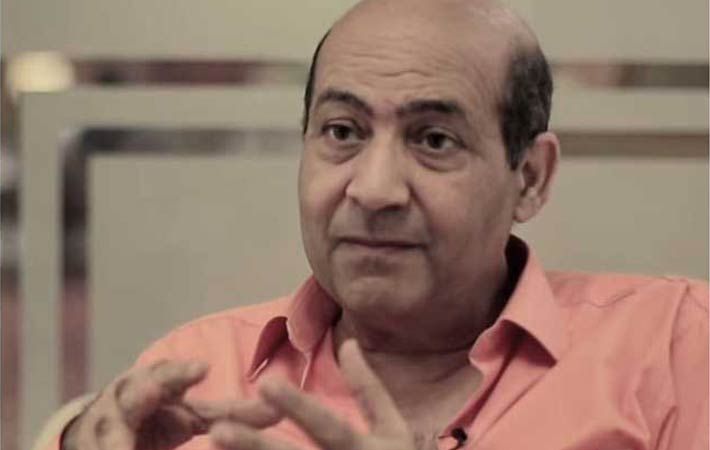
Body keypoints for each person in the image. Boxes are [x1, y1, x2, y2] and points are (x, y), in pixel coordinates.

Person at [56, 0, 708, 449]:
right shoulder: (200, 377)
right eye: (343, 132)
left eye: (434, 140)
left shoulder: (673, 347)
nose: (373, 189)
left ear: (530, 178)